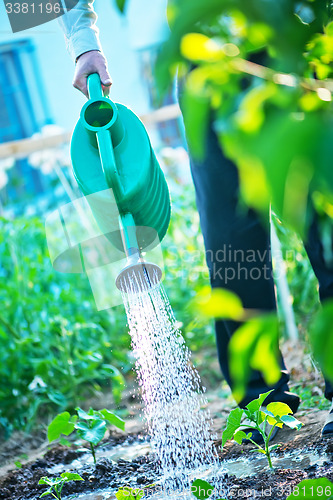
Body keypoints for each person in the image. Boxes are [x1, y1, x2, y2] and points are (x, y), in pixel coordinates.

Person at [58, 0, 333, 441]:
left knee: (324, 217)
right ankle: (263, 404)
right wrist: (83, 43)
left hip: (293, 37)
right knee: (232, 238)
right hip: (203, 55)